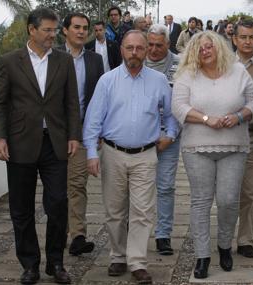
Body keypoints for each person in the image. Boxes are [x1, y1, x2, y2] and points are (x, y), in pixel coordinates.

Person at [0, 7, 81, 284]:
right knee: (21, 208)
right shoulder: (10, 61)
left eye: (55, 30)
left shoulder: (64, 62)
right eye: (48, 30)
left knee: (57, 203)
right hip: (19, 144)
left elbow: (71, 104)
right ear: (32, 29)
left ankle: (56, 263)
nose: (53, 35)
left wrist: (73, 135)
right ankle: (29, 264)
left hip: (54, 144)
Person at [83, 30, 179, 284]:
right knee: (115, 211)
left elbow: (171, 115)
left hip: (146, 155)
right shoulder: (107, 80)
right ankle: (117, 255)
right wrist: (92, 153)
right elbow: (93, 121)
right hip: (113, 154)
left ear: (146, 50)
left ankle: (137, 262)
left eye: (139, 48)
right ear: (122, 49)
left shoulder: (159, 80)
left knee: (143, 211)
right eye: (129, 48)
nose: (134, 53)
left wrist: (169, 134)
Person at [171, 31, 253, 279]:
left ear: (218, 47)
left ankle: (223, 246)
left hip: (234, 145)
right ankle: (202, 256)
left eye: (209, 47)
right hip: (197, 147)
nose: (205, 51)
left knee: (229, 199)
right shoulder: (187, 74)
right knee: (200, 201)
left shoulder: (238, 71)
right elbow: (178, 107)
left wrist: (239, 116)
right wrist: (206, 119)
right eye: (199, 49)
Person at [59, 12, 104, 257]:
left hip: (83, 130)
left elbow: (99, 98)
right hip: (53, 132)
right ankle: (59, 232)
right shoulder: (52, 56)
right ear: (65, 30)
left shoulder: (95, 60)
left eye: (84, 28)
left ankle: (77, 235)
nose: (81, 31)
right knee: (57, 188)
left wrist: (97, 131)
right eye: (76, 27)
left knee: (77, 183)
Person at [144, 24, 181, 256]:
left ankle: (163, 235)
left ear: (168, 44)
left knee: (165, 187)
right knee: (138, 188)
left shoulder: (179, 65)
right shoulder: (136, 60)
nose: (154, 49)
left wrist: (171, 135)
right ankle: (133, 231)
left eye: (159, 45)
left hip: (169, 137)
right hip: (140, 139)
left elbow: (181, 103)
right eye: (151, 44)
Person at [232, 19, 253, 259]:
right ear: (234, 39)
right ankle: (224, 238)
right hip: (226, 135)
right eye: (243, 37)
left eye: (251, 37)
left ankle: (245, 240)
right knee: (225, 192)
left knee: (251, 192)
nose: (247, 41)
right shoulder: (223, 63)